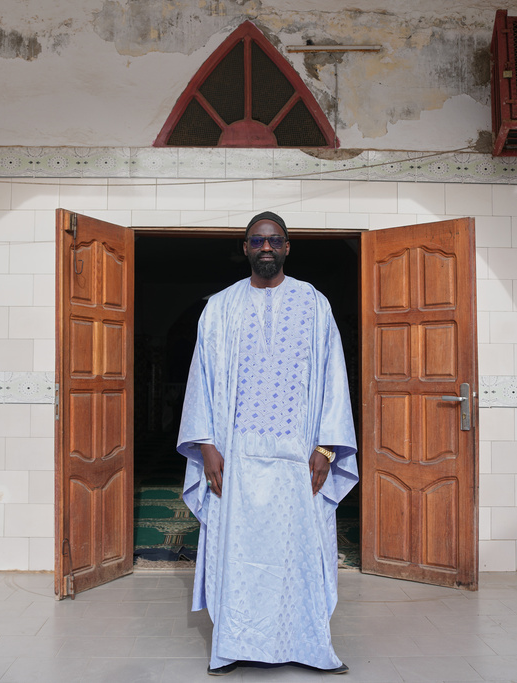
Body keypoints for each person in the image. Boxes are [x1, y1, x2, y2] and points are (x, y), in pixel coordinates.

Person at [177, 211, 359, 676]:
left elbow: (333, 378)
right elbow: (201, 380)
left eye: (274, 240)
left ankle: (307, 644)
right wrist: (206, 445)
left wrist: (326, 448)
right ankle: (236, 643)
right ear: (244, 247)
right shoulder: (219, 307)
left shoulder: (315, 304)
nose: (265, 247)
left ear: (287, 247)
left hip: (299, 457)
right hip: (234, 456)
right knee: (239, 554)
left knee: (297, 553)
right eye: (257, 240)